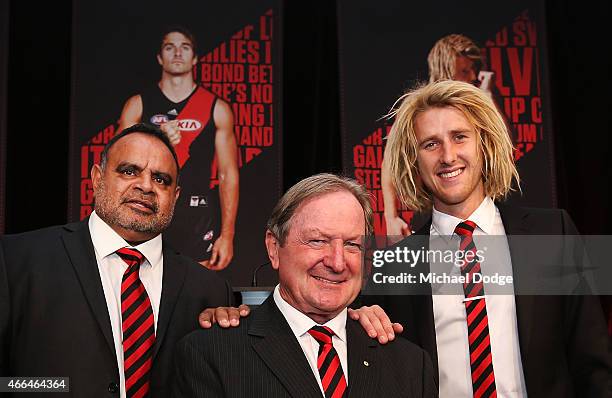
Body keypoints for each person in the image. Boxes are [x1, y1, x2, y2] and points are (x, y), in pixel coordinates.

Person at [376, 80, 611, 397]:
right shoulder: (395, 266)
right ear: (414, 161)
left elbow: (593, 365)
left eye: (460, 137)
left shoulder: (553, 233)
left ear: (484, 145)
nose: (448, 156)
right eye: (430, 144)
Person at [0, 123, 234, 397]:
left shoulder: (209, 289)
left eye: (161, 179)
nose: (146, 186)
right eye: (129, 171)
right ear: (97, 178)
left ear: (176, 197)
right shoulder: (17, 260)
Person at [173, 174, 437, 397]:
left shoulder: (411, 365)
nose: (337, 262)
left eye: (351, 245)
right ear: (274, 248)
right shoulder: (211, 354)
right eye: (318, 241)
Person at [119, 27, 239, 270]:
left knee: (197, 295)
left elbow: (228, 175)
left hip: (197, 215)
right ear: (160, 58)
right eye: (169, 47)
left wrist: (227, 236)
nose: (176, 53)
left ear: (194, 58)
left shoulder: (217, 108)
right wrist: (157, 138)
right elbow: (117, 165)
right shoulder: (137, 104)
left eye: (184, 47)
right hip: (146, 207)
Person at [383, 34, 495, 237]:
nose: (472, 76)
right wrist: (390, 216)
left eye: (459, 137)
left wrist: (488, 98)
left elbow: (505, 145)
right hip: (427, 218)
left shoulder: (476, 104)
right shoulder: (416, 111)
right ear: (445, 67)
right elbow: (390, 163)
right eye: (464, 70)